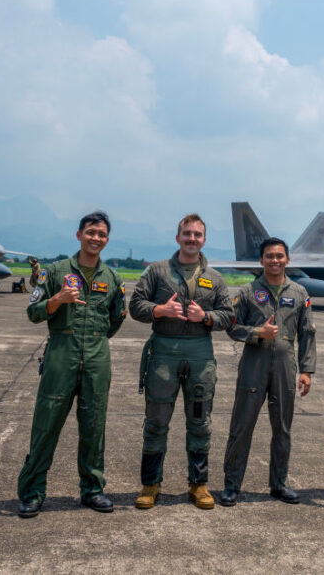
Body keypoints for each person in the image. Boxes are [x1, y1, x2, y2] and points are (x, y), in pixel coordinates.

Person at [17, 211, 127, 518]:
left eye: (102, 234)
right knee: (46, 424)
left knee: (94, 426)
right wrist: (58, 300)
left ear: (107, 240)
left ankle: (92, 490)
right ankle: (33, 492)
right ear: (78, 235)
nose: (96, 238)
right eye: (91, 232)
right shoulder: (54, 272)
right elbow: (33, 312)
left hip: (97, 356)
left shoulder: (112, 278)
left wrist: (95, 341)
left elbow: (117, 318)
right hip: (61, 354)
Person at [128, 214, 234, 510]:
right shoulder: (158, 272)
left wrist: (207, 317)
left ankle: (198, 485)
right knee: (156, 421)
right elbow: (135, 306)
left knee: (200, 422)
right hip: (164, 353)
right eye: (186, 234)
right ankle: (150, 484)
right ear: (177, 238)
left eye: (197, 235)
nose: (191, 239)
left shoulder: (214, 278)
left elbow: (229, 315)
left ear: (204, 239)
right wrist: (160, 310)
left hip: (200, 354)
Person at [220, 237, 316, 506]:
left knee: (282, 428)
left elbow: (308, 333)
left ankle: (279, 483)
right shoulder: (247, 292)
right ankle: (231, 485)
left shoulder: (299, 293)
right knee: (242, 426)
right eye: (269, 256)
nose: (275, 260)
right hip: (254, 364)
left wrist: (307, 370)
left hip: (285, 366)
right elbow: (230, 325)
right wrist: (256, 332)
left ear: (288, 260)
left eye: (280, 256)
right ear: (261, 261)